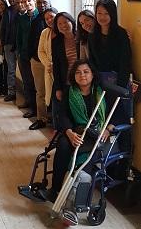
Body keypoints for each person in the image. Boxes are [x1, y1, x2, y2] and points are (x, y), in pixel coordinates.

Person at [43, 60, 113, 202]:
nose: (82, 75)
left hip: (95, 134)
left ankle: (73, 195)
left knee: (83, 153)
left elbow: (116, 113)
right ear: (73, 76)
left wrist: (108, 128)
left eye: (86, 72)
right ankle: (55, 189)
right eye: (78, 72)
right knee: (62, 145)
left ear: (93, 74)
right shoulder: (70, 92)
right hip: (75, 132)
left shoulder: (102, 92)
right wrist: (69, 133)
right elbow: (62, 115)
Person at [88, 0, 132, 88]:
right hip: (98, 81)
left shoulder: (121, 34)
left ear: (112, 14)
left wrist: (120, 85)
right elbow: (91, 60)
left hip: (118, 80)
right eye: (99, 13)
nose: (102, 17)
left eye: (106, 14)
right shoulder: (92, 35)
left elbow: (125, 60)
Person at [28, 0, 50, 129]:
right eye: (40, 3)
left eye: (45, 3)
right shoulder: (36, 20)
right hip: (37, 61)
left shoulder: (57, 19)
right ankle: (41, 118)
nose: (42, 5)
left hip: (52, 63)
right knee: (40, 91)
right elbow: (32, 41)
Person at [52, 12, 77, 129]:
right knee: (66, 112)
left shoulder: (81, 37)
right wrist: (58, 88)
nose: (63, 25)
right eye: (59, 23)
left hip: (83, 81)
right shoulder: (56, 41)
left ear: (71, 21)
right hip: (66, 82)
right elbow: (56, 66)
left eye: (65, 22)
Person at [16, 0, 39, 118]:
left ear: (34, 0)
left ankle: (38, 109)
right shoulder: (22, 18)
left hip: (37, 56)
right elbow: (18, 37)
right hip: (24, 55)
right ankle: (30, 104)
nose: (26, 3)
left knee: (37, 83)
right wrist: (19, 52)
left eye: (29, 1)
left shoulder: (40, 16)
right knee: (27, 81)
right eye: (24, 2)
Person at [38, 7, 58, 119]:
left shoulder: (64, 30)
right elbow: (41, 51)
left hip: (62, 70)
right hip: (49, 68)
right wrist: (48, 64)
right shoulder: (45, 33)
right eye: (46, 19)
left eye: (51, 17)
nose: (49, 20)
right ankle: (54, 123)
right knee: (51, 96)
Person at [1, 0, 19, 102]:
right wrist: (3, 42)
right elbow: (3, 28)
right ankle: (11, 92)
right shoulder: (6, 11)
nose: (11, 0)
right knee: (11, 69)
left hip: (19, 44)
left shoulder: (21, 11)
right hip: (8, 44)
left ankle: (24, 93)